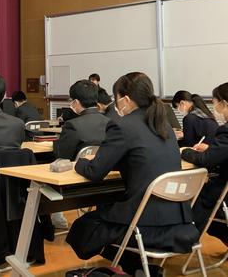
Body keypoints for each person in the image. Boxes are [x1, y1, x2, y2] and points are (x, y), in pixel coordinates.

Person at [66, 72, 199, 276]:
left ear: (126, 99)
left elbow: (94, 172)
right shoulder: (164, 126)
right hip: (179, 221)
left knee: (84, 227)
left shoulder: (122, 125)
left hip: (143, 223)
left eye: (116, 98)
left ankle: (133, 267)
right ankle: (136, 268)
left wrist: (80, 162)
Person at [181, 83, 228, 244]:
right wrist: (212, 149)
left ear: (224, 103)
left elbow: (204, 160)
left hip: (221, 192)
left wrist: (185, 151)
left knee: (190, 199)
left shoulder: (226, 131)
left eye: (215, 103)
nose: (214, 108)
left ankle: (183, 240)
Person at [53, 80, 110, 160]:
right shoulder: (109, 122)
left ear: (76, 102)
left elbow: (63, 156)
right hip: (105, 166)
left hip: (77, 167)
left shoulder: (72, 125)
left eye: (71, 100)